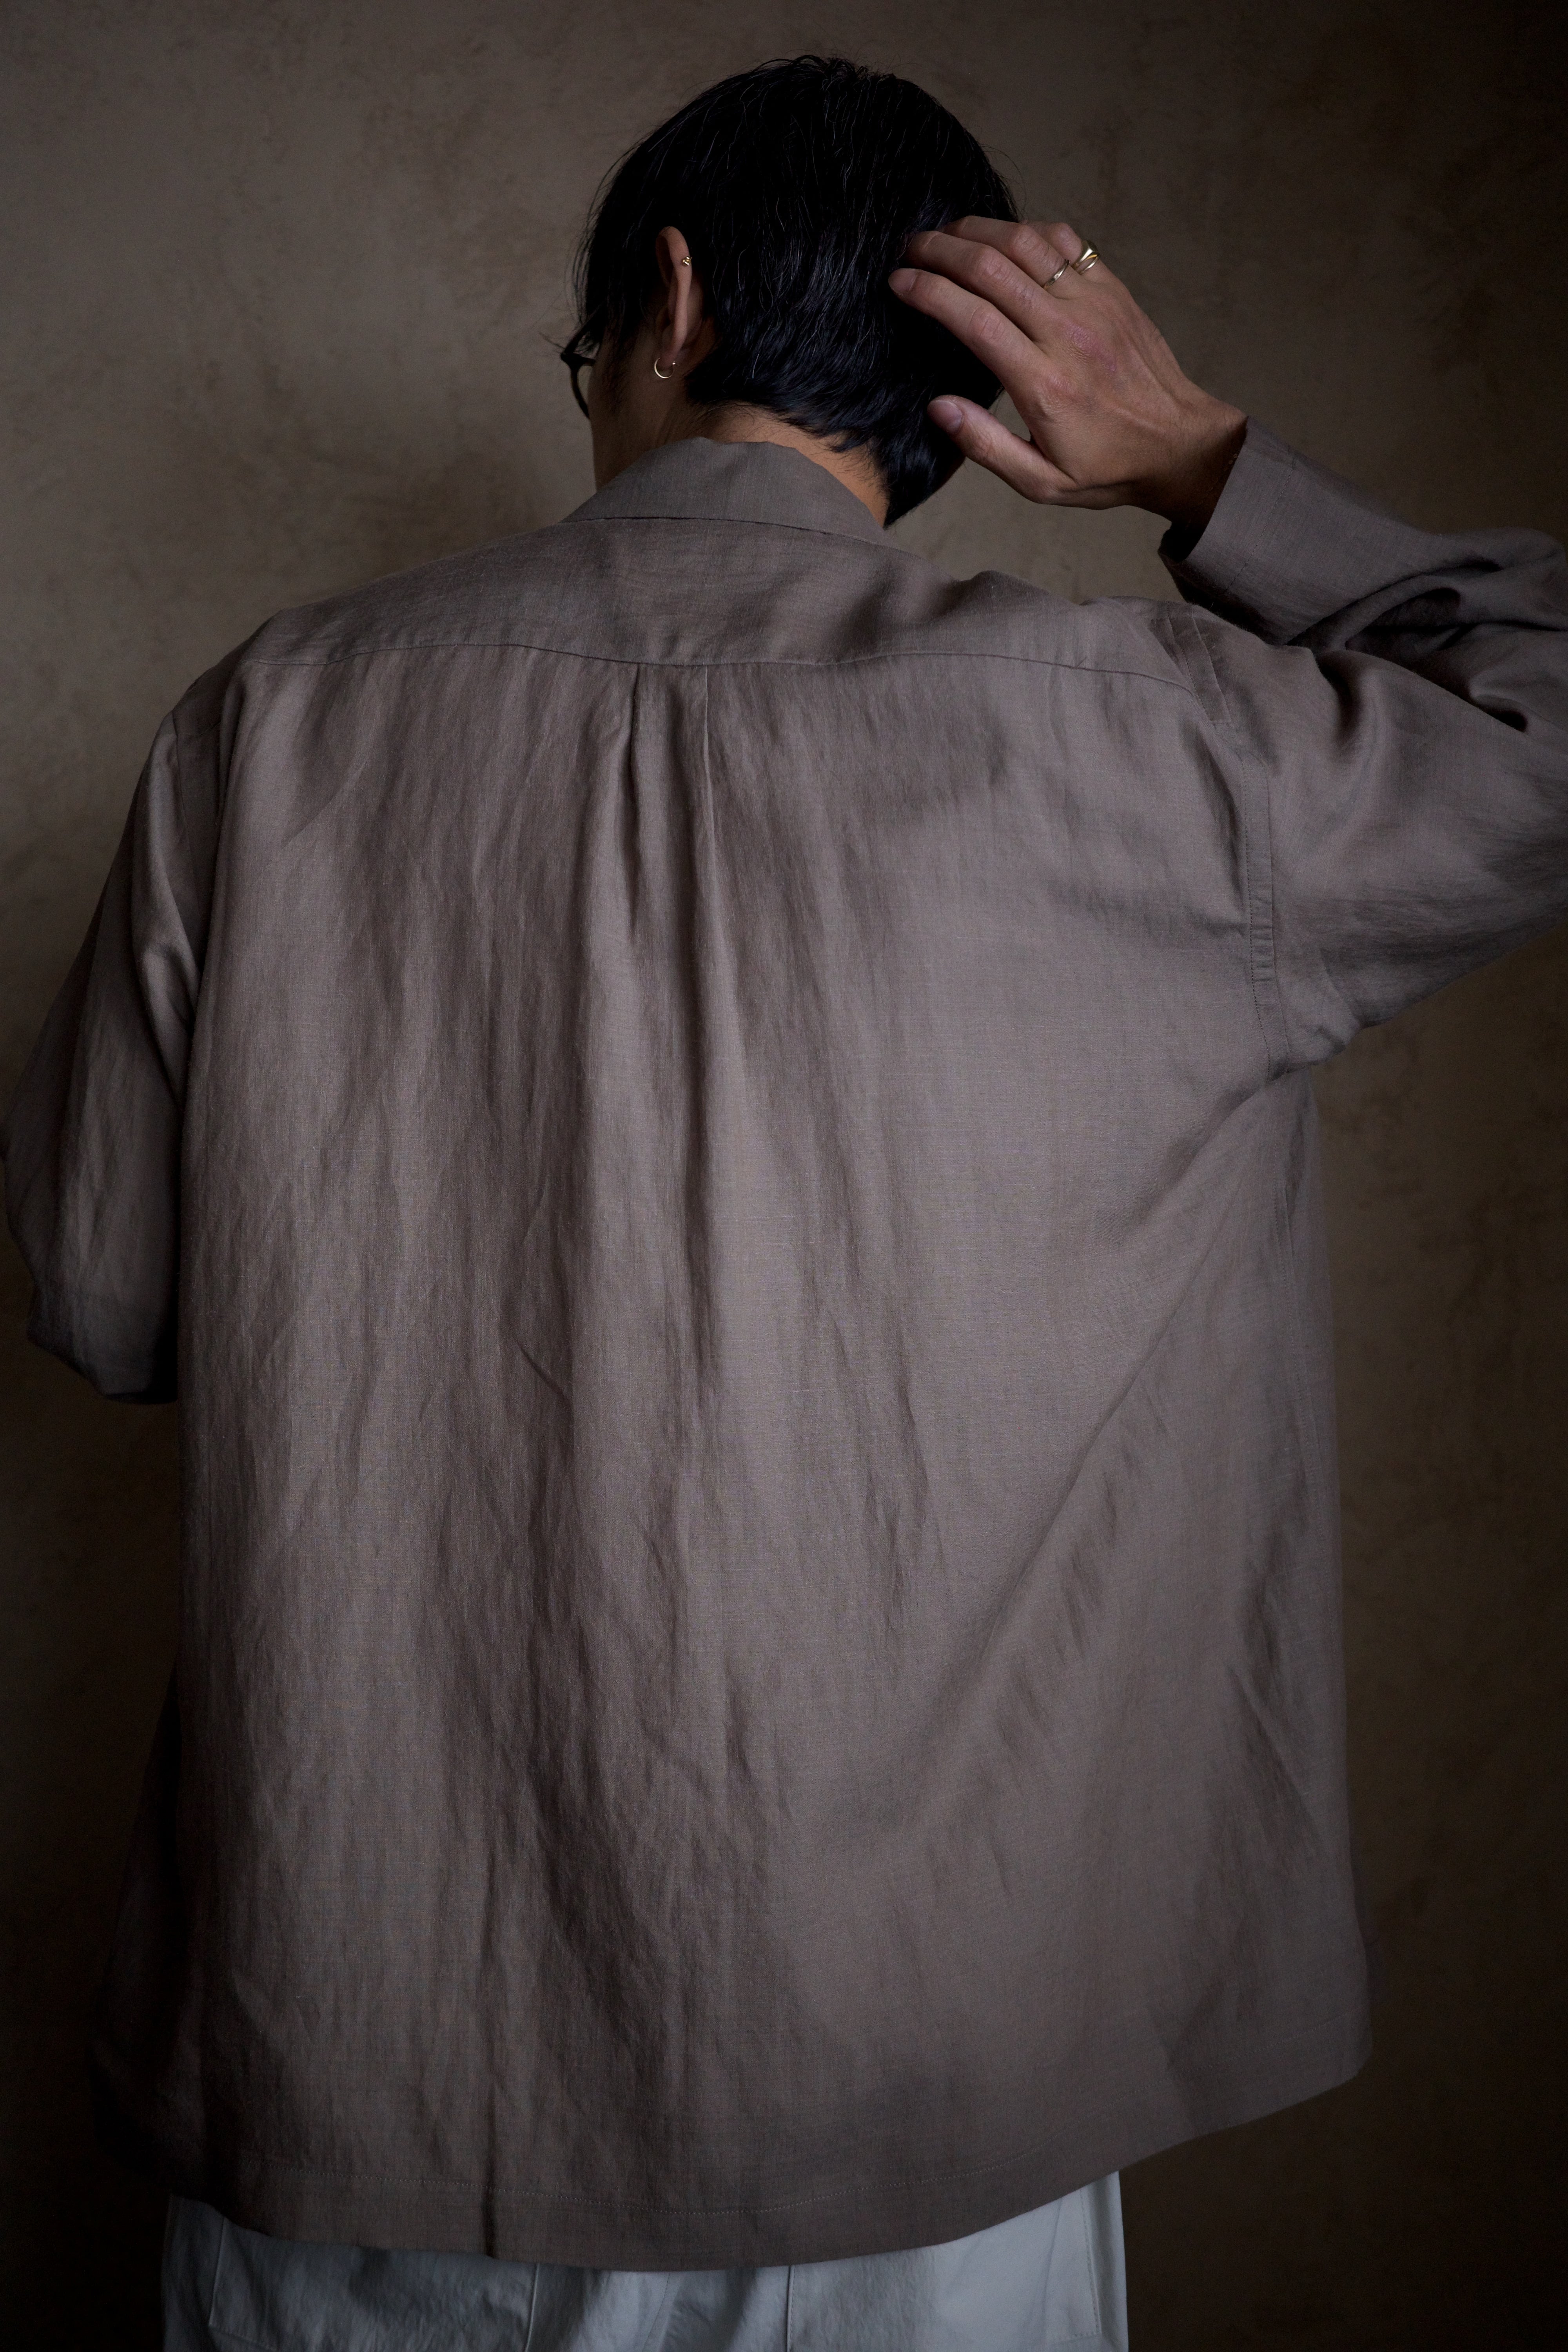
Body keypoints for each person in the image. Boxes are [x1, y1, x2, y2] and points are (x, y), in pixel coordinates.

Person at [5, 49, 1565, 2352]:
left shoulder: (270, 723)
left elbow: (105, 1295)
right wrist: (1204, 464)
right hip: (927, 2132)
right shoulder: (1164, 745)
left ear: (668, 303)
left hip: (371, 2088)